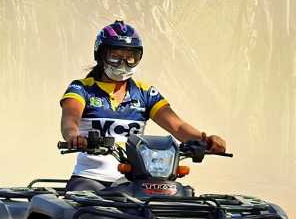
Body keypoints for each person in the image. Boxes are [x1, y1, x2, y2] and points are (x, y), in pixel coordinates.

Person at [60, 20, 226, 191]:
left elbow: (178, 126)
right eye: (115, 57)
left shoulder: (146, 93)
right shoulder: (81, 88)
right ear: (100, 55)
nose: (123, 64)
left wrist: (206, 141)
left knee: (179, 199)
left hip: (136, 180)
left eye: (130, 58)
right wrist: (73, 136)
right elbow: (69, 121)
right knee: (85, 211)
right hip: (91, 178)